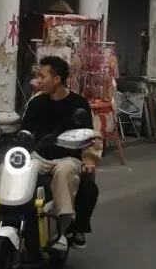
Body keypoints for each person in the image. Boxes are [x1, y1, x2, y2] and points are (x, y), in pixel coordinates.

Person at [19, 55, 100, 247]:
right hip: (39, 157)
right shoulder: (36, 103)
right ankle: (7, 220)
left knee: (65, 172)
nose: (38, 80)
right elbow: (24, 132)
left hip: (68, 158)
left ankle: (61, 229)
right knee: (11, 171)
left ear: (56, 79)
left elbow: (89, 137)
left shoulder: (79, 104)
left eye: (42, 76)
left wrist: (89, 160)